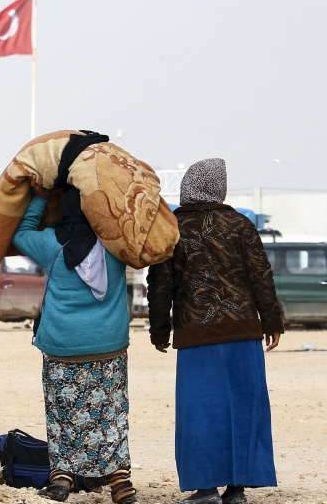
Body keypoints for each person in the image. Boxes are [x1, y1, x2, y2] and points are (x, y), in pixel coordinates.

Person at [147, 158, 284, 504]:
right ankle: (237, 490)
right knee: (243, 407)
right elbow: (261, 276)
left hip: (197, 336)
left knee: (200, 410)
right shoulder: (241, 224)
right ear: (219, 188)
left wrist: (159, 329)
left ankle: (205, 489)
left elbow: (161, 282)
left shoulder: (174, 227)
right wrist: (271, 322)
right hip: (243, 333)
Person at [11, 131, 137, 504]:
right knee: (111, 411)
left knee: (63, 409)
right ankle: (119, 482)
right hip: (109, 343)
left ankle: (63, 476)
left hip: (62, 343)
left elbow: (19, 233)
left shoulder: (50, 244)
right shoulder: (115, 244)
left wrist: (39, 197)